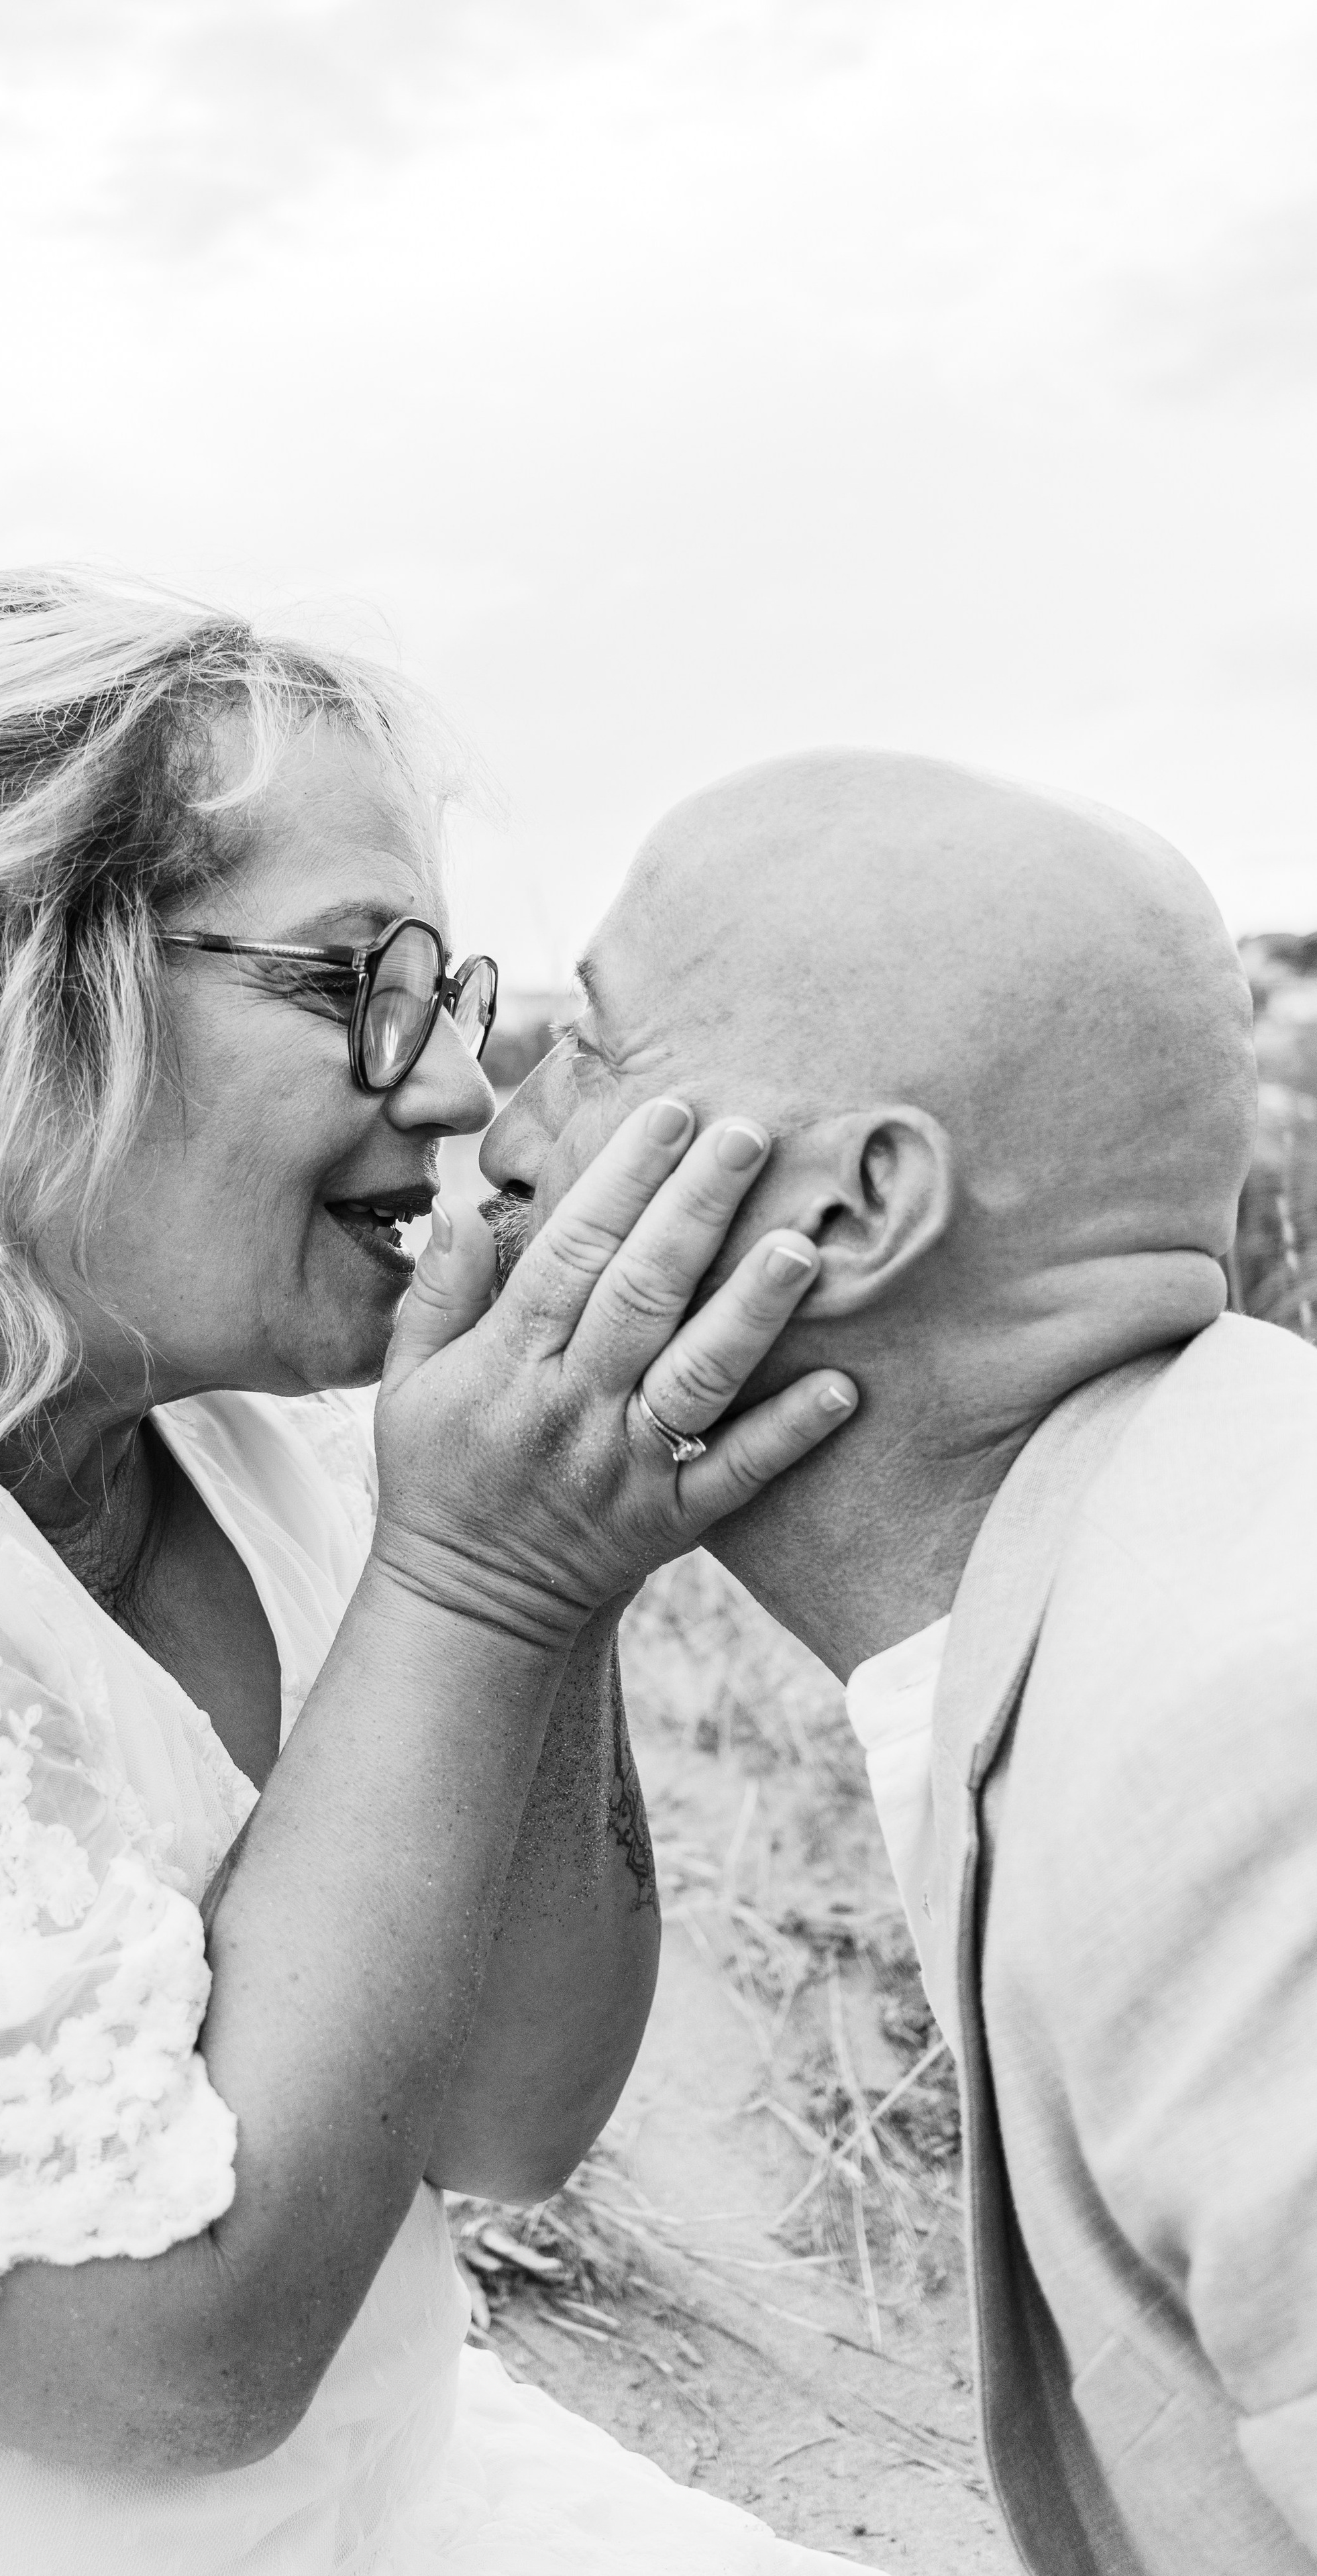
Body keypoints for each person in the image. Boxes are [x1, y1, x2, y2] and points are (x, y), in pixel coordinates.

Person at [0, 570, 877, 2575]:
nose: (451, 1086)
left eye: (445, 994)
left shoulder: (250, 1421)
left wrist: (568, 1559)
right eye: (353, 980)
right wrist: (474, 1590)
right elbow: (169, 2371)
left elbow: (513, 2120)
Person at [480, 747, 1317, 2576]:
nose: (507, 1130)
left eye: (593, 1047)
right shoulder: (1170, 1553)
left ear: (850, 1214)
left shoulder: (1255, 1748)